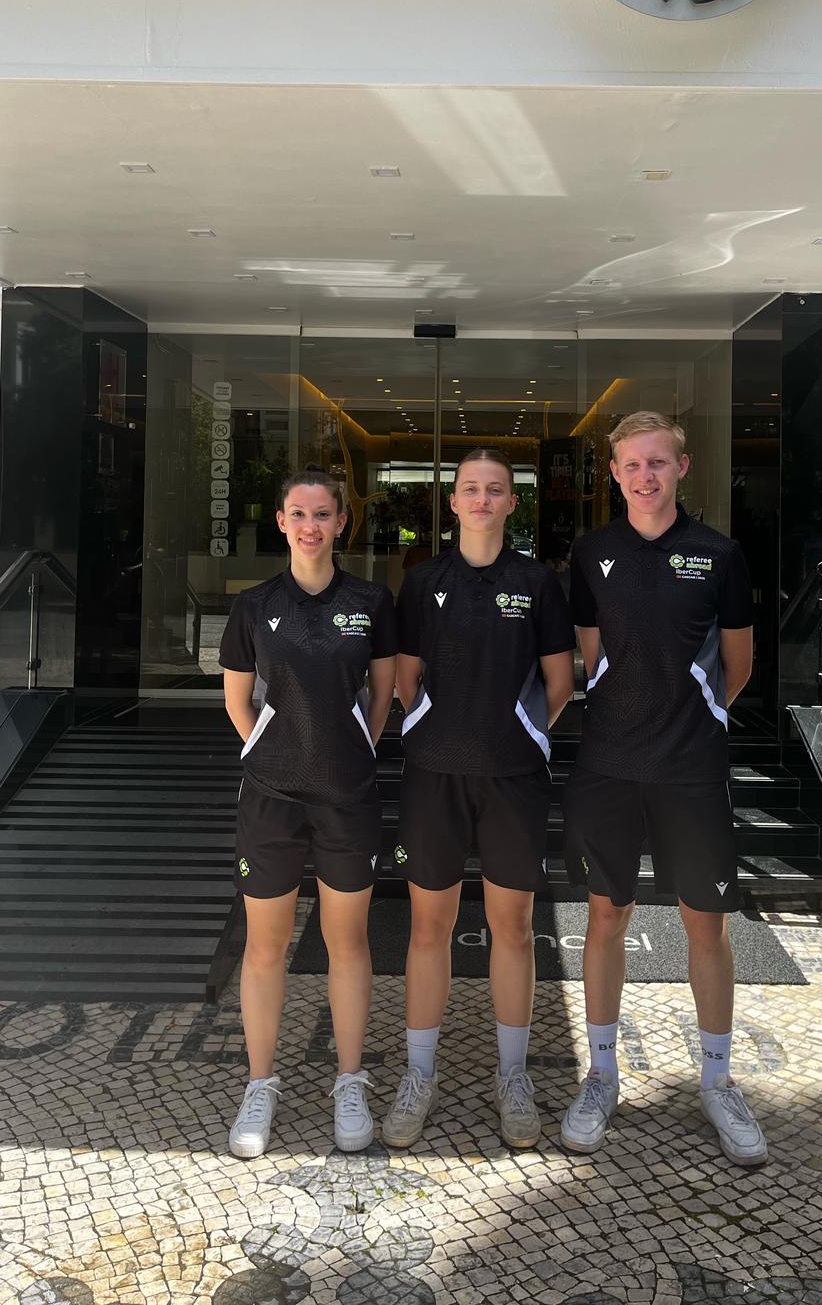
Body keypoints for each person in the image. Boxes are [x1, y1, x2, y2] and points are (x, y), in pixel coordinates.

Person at [559, 412, 766, 1165]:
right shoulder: (592, 553)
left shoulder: (719, 555)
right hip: (608, 765)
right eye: (631, 465)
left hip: (691, 770)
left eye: (657, 462)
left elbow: (737, 666)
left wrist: (691, 719)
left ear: (682, 466)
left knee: (706, 924)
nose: (644, 476)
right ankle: (601, 1075)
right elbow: (592, 659)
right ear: (614, 474)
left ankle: (717, 1082)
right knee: (604, 916)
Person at [380, 449, 575, 1151]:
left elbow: (560, 682)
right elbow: (405, 680)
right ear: (454, 501)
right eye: (471, 489)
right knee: (427, 929)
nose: (483, 499)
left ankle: (513, 1076)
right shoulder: (422, 580)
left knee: (513, 928)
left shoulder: (537, 582)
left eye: (496, 489)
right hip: (433, 776)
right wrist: (442, 731)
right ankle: (419, 1075)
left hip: (513, 779)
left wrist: (517, 735)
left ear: (512, 503)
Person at [219, 468, 397, 1158]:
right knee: (265, 946)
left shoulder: (371, 601)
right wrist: (273, 755)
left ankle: (349, 1082)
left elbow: (381, 696)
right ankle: (260, 1084)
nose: (311, 526)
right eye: (298, 513)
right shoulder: (254, 605)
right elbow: (238, 702)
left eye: (323, 514)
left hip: (348, 795)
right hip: (271, 796)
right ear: (281, 521)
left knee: (346, 942)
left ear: (342, 521)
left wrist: (350, 753)